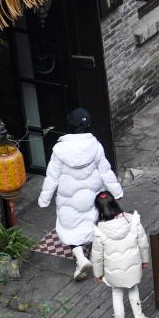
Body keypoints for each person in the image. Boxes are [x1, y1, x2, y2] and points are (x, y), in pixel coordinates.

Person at [38, 108, 123, 280]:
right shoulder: (95, 146)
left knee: (70, 228)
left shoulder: (59, 150)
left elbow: (52, 177)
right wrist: (117, 192)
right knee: (92, 224)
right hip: (92, 195)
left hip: (69, 198)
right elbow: (106, 172)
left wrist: (44, 200)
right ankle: (93, 257)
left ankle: (80, 258)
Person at [90, 192, 151, 318]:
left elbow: (97, 257)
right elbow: (143, 243)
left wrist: (98, 274)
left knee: (117, 294)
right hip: (133, 266)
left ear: (99, 209)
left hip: (113, 272)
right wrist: (145, 259)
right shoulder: (132, 220)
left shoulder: (99, 231)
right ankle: (139, 316)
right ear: (115, 203)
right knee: (133, 287)